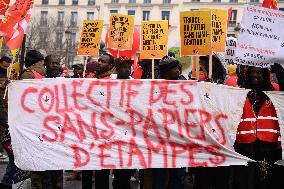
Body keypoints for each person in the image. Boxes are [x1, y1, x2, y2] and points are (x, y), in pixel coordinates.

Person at [232, 65, 284, 189]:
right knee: (245, 179)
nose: (255, 75)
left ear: (265, 75)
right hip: (245, 143)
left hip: (268, 144)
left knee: (265, 180)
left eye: (259, 72)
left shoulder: (275, 90)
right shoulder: (240, 90)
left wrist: (280, 72)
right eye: (252, 72)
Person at [150, 56, 187, 189]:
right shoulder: (153, 87)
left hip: (179, 140)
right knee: (158, 176)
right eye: (174, 68)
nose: (178, 71)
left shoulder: (185, 86)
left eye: (178, 68)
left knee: (177, 176)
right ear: (166, 71)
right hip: (159, 141)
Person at [111, 56, 134, 189]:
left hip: (129, 131)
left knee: (126, 165)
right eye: (123, 67)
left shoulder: (136, 84)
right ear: (117, 68)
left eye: (128, 67)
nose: (127, 69)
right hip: (113, 129)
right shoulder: (109, 83)